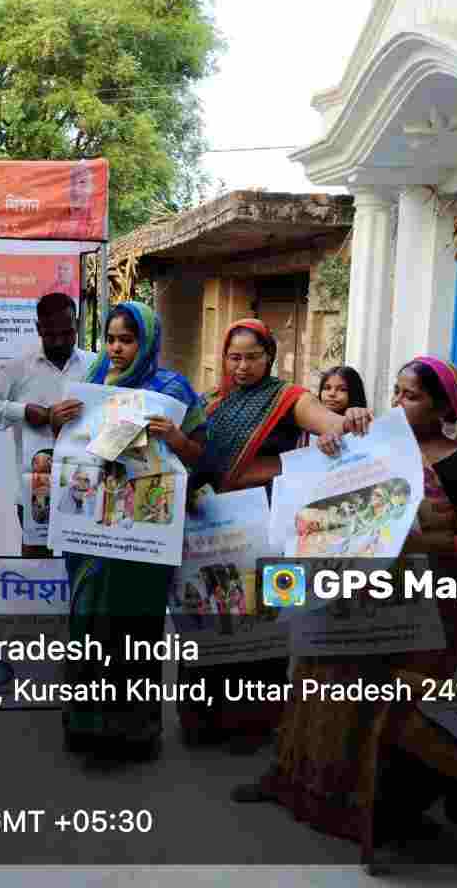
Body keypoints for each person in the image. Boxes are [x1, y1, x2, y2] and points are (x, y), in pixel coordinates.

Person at [230, 356, 457, 849]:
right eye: (395, 391)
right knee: (316, 677)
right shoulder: (377, 443)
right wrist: (334, 443)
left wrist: (424, 543)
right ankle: (291, 781)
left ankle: (365, 806)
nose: (398, 402)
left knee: (369, 700)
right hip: (345, 589)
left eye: (411, 396)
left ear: (444, 407)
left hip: (409, 604)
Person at [177, 319, 350, 747]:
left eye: (252, 357)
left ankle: (253, 724)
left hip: (269, 528)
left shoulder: (288, 398)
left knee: (264, 627)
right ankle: (202, 720)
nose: (242, 366)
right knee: (209, 619)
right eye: (234, 357)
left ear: (269, 356)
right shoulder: (211, 402)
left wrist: (343, 424)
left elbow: (329, 423)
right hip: (213, 529)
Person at [54, 301, 206, 760]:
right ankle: (85, 726)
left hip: (143, 537)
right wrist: (60, 419)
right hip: (91, 534)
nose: (117, 348)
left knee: (134, 631)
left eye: (127, 339)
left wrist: (174, 437)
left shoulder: (172, 390)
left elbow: (201, 454)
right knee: (88, 626)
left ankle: (135, 732)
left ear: (147, 342)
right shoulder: (90, 384)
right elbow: (68, 446)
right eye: (111, 339)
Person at [0, 292, 92, 556]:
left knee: (82, 563)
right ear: (38, 329)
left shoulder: (94, 366)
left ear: (77, 325)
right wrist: (24, 411)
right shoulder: (18, 368)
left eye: (67, 333)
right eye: (50, 334)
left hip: (85, 487)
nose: (59, 341)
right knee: (37, 566)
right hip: (36, 491)